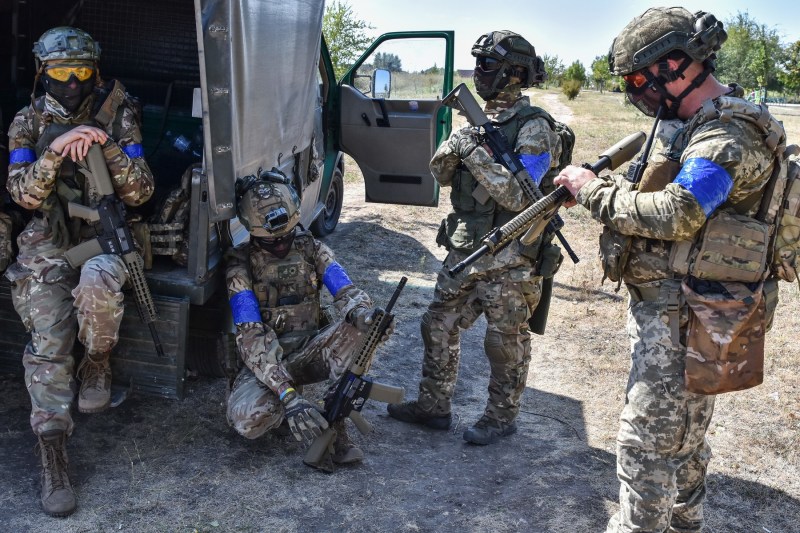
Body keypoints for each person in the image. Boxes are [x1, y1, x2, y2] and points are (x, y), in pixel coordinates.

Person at [553, 8, 785, 532]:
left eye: (640, 79)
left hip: (689, 316)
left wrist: (595, 193)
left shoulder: (727, 136)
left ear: (678, 65)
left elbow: (680, 211)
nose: (637, 93)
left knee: (646, 445)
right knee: (682, 434)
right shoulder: (695, 124)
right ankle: (685, 521)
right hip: (682, 308)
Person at [387, 30, 564, 445]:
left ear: (514, 73)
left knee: (504, 341)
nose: (478, 73)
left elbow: (521, 196)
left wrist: (474, 150)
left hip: (511, 257)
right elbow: (441, 172)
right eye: (478, 64)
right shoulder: (477, 124)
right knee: (437, 324)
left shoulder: (535, 127)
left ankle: (500, 418)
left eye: (487, 65)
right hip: (466, 248)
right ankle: (433, 406)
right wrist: (456, 148)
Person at [5, 27, 154, 516]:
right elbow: (23, 195)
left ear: (96, 71)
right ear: (42, 73)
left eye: (83, 73)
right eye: (61, 73)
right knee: (47, 339)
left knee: (97, 283)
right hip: (48, 237)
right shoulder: (26, 122)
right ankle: (53, 455)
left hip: (106, 231)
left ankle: (97, 361)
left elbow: (141, 193)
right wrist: (56, 149)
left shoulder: (118, 112)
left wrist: (105, 144)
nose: (72, 84)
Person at [225, 170, 392, 465]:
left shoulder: (311, 248)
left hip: (312, 350)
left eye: (285, 237)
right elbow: (250, 337)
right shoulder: (240, 267)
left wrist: (364, 315)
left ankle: (336, 425)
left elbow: (346, 290)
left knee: (365, 331)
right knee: (248, 420)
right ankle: (288, 406)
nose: (279, 246)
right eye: (269, 242)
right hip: (267, 365)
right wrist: (287, 394)